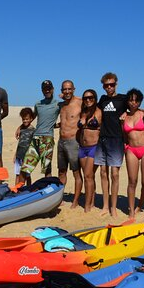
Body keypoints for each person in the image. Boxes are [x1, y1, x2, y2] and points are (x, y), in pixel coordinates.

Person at [95, 72, 128, 216]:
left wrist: (127, 113)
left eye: (112, 84)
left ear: (116, 84)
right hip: (102, 139)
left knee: (115, 174)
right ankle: (105, 206)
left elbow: (135, 109)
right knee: (103, 173)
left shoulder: (123, 98)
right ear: (103, 86)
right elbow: (90, 109)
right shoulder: (102, 99)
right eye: (106, 85)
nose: (109, 87)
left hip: (116, 140)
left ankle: (113, 208)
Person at [121, 88, 144, 219]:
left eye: (136, 100)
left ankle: (140, 204)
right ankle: (132, 210)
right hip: (131, 150)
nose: (133, 103)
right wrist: (125, 146)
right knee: (132, 181)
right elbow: (124, 135)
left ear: (139, 102)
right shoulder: (124, 116)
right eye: (131, 100)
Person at [20, 80, 60, 181]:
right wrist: (20, 127)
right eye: (45, 89)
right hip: (35, 139)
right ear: (42, 90)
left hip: (47, 140)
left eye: (49, 89)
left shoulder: (58, 104)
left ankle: (49, 191)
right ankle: (18, 191)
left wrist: (57, 125)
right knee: (25, 168)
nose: (47, 91)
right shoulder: (38, 104)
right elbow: (31, 118)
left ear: (53, 89)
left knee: (46, 169)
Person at [58, 80, 83, 209]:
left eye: (69, 89)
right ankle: (60, 198)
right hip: (61, 142)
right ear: (61, 91)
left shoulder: (80, 102)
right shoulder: (61, 105)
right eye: (64, 89)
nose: (67, 92)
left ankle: (76, 200)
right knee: (61, 171)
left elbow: (94, 107)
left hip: (74, 142)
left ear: (74, 89)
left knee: (76, 172)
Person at [76, 89, 102, 212]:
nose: (88, 100)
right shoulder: (83, 112)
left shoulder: (99, 112)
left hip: (94, 147)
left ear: (95, 98)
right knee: (89, 176)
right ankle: (91, 201)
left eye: (91, 97)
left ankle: (87, 206)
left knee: (87, 175)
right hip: (82, 148)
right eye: (85, 98)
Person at [13, 107, 36, 184]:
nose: (25, 121)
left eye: (27, 119)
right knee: (17, 174)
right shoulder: (21, 129)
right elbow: (19, 143)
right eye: (23, 119)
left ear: (31, 119)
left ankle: (29, 188)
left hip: (27, 156)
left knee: (27, 175)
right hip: (19, 155)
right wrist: (15, 155)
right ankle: (16, 190)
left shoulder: (33, 130)